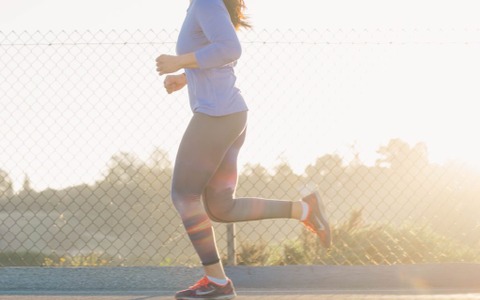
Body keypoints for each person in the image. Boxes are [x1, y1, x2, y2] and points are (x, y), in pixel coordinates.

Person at [155, 0, 331, 298]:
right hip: (228, 115)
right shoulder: (203, 4)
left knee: (184, 195)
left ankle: (218, 283)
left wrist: (179, 61)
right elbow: (218, 57)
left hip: (218, 115)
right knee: (222, 207)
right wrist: (185, 78)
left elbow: (230, 49)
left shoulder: (206, 2)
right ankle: (305, 209)